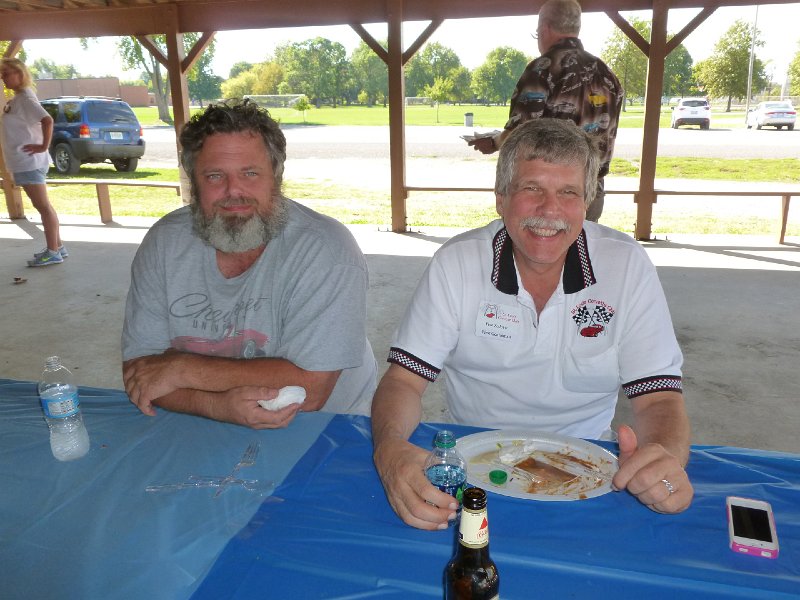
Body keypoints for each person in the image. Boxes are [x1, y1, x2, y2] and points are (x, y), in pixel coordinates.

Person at [373, 118, 693, 530]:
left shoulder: (626, 266)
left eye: (568, 192)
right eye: (532, 189)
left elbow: (659, 399)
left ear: (587, 201)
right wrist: (389, 447)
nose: (550, 210)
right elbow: (403, 381)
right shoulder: (458, 263)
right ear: (501, 198)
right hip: (475, 466)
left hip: (589, 467)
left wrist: (664, 460)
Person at [122, 99, 377, 429]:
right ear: (194, 183)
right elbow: (140, 374)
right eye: (215, 176)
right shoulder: (164, 243)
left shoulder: (327, 250)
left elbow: (311, 390)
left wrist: (180, 369)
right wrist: (214, 405)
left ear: (276, 178)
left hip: (328, 425)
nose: (234, 191)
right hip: (202, 419)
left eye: (250, 173)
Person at [468, 0, 622, 223]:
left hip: (546, 194)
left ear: (544, 28)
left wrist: (493, 142)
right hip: (589, 193)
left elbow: (520, 131)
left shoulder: (543, 68)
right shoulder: (607, 74)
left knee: (537, 244)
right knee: (582, 245)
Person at [0, 58, 66, 267]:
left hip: (30, 162)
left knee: (43, 207)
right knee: (44, 206)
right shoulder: (19, 98)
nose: (3, 77)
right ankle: (58, 247)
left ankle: (53, 252)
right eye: (2, 74)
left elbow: (47, 120)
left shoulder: (26, 99)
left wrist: (43, 146)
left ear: (19, 74)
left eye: (6, 73)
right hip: (24, 162)